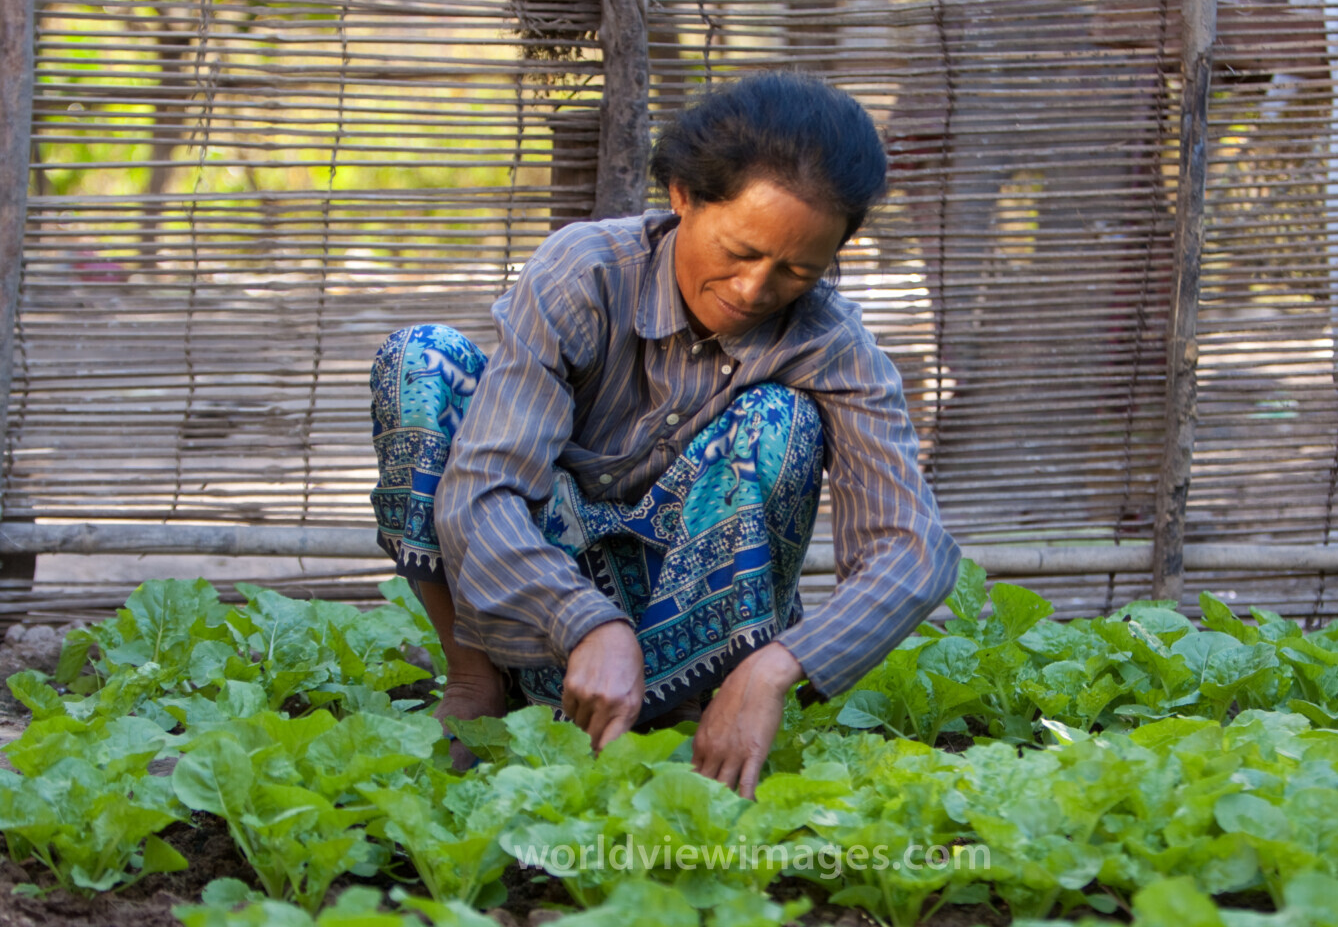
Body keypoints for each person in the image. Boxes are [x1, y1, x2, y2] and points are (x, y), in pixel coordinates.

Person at [369, 71, 959, 798]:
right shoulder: (584, 273)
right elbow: (483, 492)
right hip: (533, 612)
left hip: (697, 645)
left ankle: (697, 715)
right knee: (419, 361)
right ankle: (477, 679)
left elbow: (916, 549)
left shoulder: (830, 343)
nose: (754, 290)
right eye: (741, 250)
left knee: (782, 420)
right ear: (683, 195)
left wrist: (775, 669)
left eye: (796, 270)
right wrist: (584, 622)